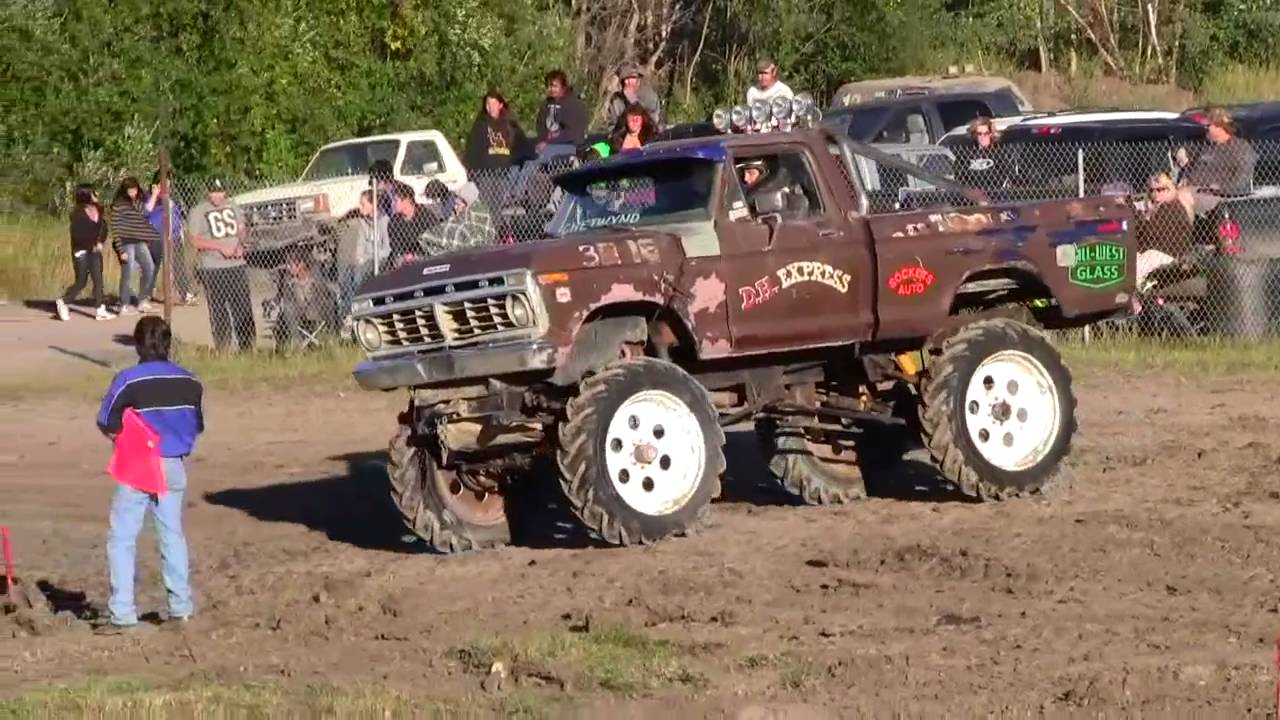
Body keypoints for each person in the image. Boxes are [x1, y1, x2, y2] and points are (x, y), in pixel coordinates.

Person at [94, 316, 204, 634]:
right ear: (168, 344)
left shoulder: (129, 380)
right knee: (172, 535)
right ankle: (180, 609)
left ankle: (123, 614)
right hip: (174, 465)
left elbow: (107, 422)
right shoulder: (191, 381)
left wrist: (127, 440)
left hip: (139, 464)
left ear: (138, 344)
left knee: (122, 538)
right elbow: (196, 426)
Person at [189, 179, 256, 352]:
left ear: (225, 192)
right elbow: (195, 240)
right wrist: (220, 248)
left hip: (236, 265)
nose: (217, 195)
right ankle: (223, 348)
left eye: (220, 191)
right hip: (213, 267)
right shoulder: (199, 211)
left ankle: (247, 348)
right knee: (219, 310)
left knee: (242, 307)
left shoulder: (233, 206)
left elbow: (241, 229)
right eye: (213, 191)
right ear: (208, 192)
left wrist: (241, 245)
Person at [1177, 107, 1257, 215]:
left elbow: (1243, 177)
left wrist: (1218, 189)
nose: (1205, 129)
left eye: (1208, 126)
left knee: (1181, 197)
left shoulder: (1239, 147)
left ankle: (1182, 230)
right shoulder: (1206, 146)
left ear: (1220, 127)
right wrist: (1185, 172)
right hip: (1192, 189)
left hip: (1214, 194)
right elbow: (1191, 161)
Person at [56, 184, 115, 322]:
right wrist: (91, 245)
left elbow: (103, 228)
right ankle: (64, 301)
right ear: (86, 195)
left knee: (98, 280)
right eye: (94, 192)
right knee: (81, 281)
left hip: (95, 250)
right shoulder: (77, 213)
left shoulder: (98, 210)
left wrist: (100, 242)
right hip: (81, 251)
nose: (97, 195)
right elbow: (78, 235)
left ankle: (100, 309)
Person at [267, 245, 340, 351]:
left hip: (316, 310)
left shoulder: (315, 276)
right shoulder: (288, 279)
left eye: (292, 265)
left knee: (329, 303)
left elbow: (326, 293)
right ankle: (298, 343)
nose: (289, 268)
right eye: (288, 265)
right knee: (287, 309)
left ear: (302, 264)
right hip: (298, 312)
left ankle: (332, 339)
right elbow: (283, 296)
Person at [465, 90, 528, 210]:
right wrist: (472, 169)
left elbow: (521, 144)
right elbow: (472, 149)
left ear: (500, 105)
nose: (490, 108)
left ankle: (498, 227)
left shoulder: (509, 124)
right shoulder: (481, 125)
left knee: (498, 206)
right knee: (486, 205)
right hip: (486, 174)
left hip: (503, 173)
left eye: (493, 104)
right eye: (488, 104)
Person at [142, 173, 197, 306]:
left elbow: (177, 219)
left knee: (179, 266)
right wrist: (155, 194)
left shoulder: (172, 201)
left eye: (168, 186)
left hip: (174, 237)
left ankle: (185, 294)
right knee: (152, 266)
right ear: (155, 185)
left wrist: (180, 234)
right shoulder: (150, 199)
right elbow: (146, 212)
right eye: (163, 185)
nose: (166, 189)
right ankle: (145, 295)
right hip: (156, 237)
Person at [335, 189, 389, 320]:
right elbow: (360, 244)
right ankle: (347, 313)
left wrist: (367, 257)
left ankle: (357, 312)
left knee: (358, 275)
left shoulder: (384, 221)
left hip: (380, 258)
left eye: (363, 204)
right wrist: (359, 258)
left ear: (373, 205)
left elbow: (387, 249)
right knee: (347, 273)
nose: (360, 208)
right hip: (365, 258)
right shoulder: (363, 222)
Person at [1135, 172, 1195, 291]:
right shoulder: (1158, 208)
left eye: (1160, 190)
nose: (1155, 195)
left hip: (1169, 257)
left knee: (1147, 257)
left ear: (1171, 188)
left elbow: (1150, 234)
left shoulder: (1172, 207)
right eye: (1152, 190)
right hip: (1157, 253)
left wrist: (1142, 218)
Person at [110, 177, 161, 316]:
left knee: (149, 268)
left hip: (139, 241)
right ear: (124, 191)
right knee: (128, 273)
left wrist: (155, 194)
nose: (132, 192)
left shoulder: (136, 203)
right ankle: (124, 304)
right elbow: (115, 228)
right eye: (130, 190)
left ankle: (142, 300)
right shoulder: (118, 206)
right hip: (126, 243)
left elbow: (147, 210)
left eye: (134, 190)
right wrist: (121, 250)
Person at [420, 181, 496, 256]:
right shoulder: (448, 199)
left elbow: (454, 220)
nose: (456, 202)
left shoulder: (450, 203)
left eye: (434, 198)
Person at [385, 181, 442, 268]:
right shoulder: (394, 221)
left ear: (407, 200)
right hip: (403, 260)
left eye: (396, 200)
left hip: (426, 257)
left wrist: (416, 256)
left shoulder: (425, 215)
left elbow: (434, 241)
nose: (392, 204)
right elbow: (395, 247)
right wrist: (404, 257)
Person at [535, 70, 589, 153]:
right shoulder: (546, 104)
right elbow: (540, 126)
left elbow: (573, 133)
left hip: (572, 147)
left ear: (563, 87)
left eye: (554, 86)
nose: (551, 89)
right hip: (549, 146)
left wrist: (549, 141)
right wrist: (543, 140)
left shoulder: (573, 104)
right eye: (548, 86)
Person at [953, 116, 1010, 190]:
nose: (983, 136)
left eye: (986, 133)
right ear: (975, 135)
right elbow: (959, 177)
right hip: (971, 196)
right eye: (980, 134)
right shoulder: (966, 154)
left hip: (995, 194)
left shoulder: (998, 154)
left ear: (990, 134)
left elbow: (1005, 175)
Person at [605, 63, 662, 129]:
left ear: (638, 79)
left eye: (633, 78)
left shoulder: (649, 95)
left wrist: (634, 102)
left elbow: (654, 120)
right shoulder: (616, 101)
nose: (630, 82)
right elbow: (612, 125)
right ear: (622, 82)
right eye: (626, 79)